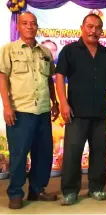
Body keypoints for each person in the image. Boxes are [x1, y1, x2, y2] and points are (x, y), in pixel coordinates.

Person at [55, 13, 106, 205]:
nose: (93, 30)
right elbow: (59, 76)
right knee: (72, 153)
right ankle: (69, 191)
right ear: (82, 27)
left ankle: (97, 188)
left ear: (102, 30)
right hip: (76, 112)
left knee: (99, 152)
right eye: (90, 26)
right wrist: (63, 103)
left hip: (100, 111)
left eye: (97, 27)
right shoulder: (69, 50)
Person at [0, 12, 59, 209]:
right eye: (25, 23)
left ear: (37, 27)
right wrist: (6, 107)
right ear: (18, 26)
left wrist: (55, 102)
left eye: (33, 24)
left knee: (43, 153)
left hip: (42, 110)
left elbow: (49, 79)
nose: (29, 27)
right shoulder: (9, 50)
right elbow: (2, 79)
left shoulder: (45, 52)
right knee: (19, 154)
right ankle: (16, 193)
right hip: (20, 111)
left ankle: (37, 190)